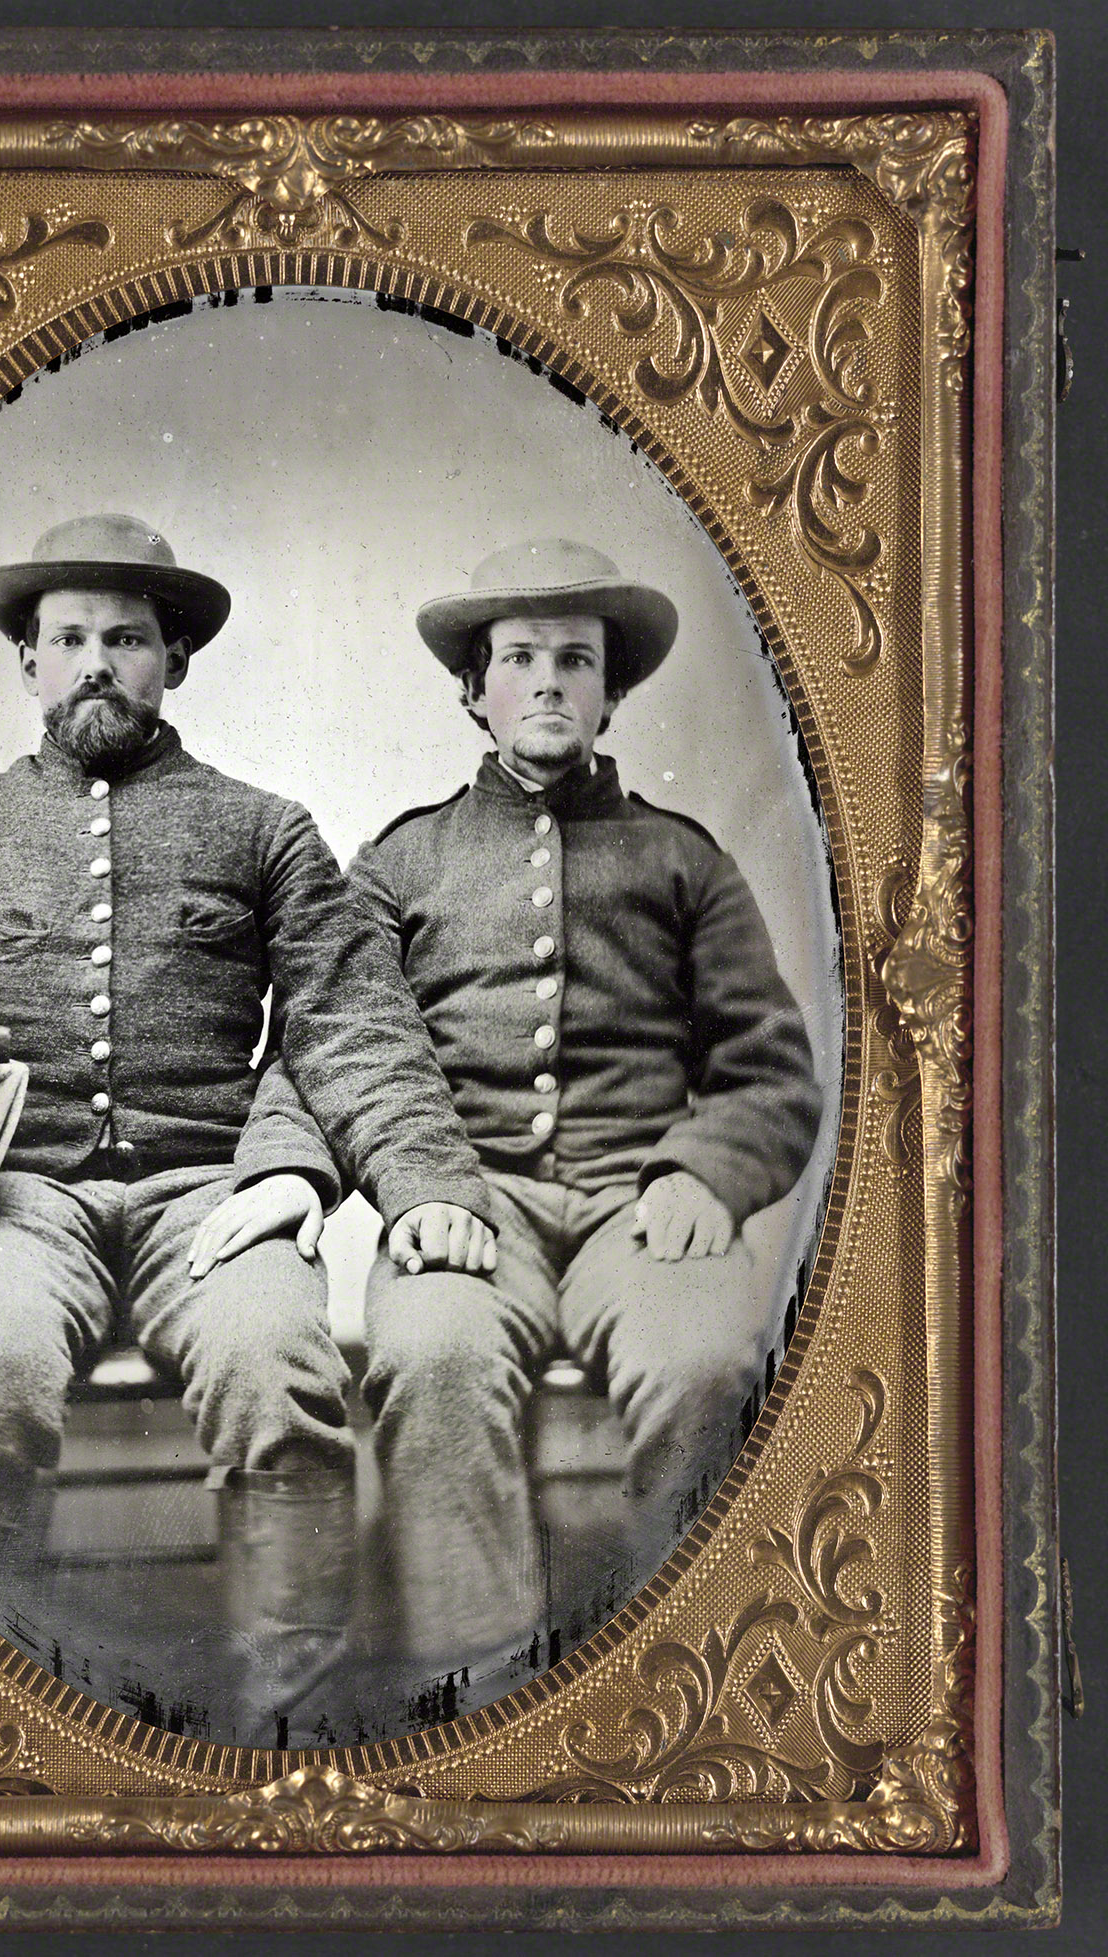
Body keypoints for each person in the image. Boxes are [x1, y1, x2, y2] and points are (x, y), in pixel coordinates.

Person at [0, 513, 494, 1744]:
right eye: (70, 639)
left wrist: (424, 1189)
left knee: (281, 1373)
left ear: (175, 660)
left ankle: (292, 1733)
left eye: (128, 639)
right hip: (17, 1198)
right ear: (29, 664)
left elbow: (354, 1022)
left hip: (211, 1197)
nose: (97, 662)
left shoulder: (263, 827)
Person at [241, 537, 824, 1689]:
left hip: (637, 1202)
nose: (548, 682)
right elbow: (326, 1041)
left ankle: (681, 1680)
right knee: (432, 1359)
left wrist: (705, 1171)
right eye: (518, 659)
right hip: (466, 1201)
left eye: (575, 660)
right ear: (474, 691)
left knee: (708, 1364)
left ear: (611, 694)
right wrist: (302, 1176)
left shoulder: (682, 861)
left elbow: (768, 1067)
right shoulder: (400, 863)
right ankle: (481, 1684)